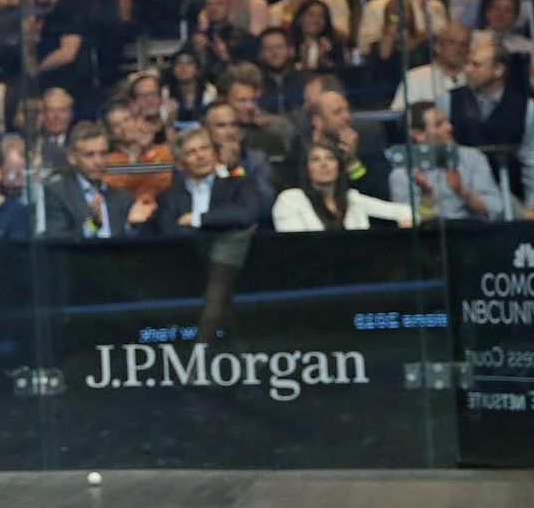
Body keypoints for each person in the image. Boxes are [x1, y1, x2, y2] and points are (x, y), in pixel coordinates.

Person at [157, 129, 264, 343]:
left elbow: (245, 214)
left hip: (239, 267)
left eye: (205, 148)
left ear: (214, 153)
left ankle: (201, 352)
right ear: (180, 163)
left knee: (234, 241)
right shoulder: (170, 197)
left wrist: (198, 219)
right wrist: (219, 224)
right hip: (189, 266)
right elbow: (169, 231)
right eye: (191, 152)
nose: (200, 155)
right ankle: (239, 354)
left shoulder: (238, 184)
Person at [449, 35, 534, 220]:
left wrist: (533, 205)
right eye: (467, 63)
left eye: (476, 65)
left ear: (498, 70)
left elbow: (533, 158)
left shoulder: (526, 107)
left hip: (509, 195)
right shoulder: (449, 100)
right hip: (462, 197)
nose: (467, 70)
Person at [391, 102, 502, 222]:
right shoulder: (401, 174)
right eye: (439, 124)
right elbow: (409, 224)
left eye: (446, 121)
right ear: (418, 135)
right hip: (430, 237)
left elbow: (496, 208)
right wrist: (427, 195)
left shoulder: (472, 157)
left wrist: (461, 191)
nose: (449, 127)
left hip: (474, 232)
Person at [43, 122, 155, 240]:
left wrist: (134, 225)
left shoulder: (122, 197)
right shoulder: (58, 194)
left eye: (103, 154)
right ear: (72, 158)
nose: (98, 162)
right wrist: (92, 226)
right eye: (89, 155)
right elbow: (57, 241)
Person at [272, 142, 413, 231]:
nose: (324, 164)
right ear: (306, 169)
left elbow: (408, 211)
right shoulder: (291, 200)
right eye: (316, 160)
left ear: (339, 167)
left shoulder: (353, 198)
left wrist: (406, 220)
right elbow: (294, 245)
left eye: (330, 158)